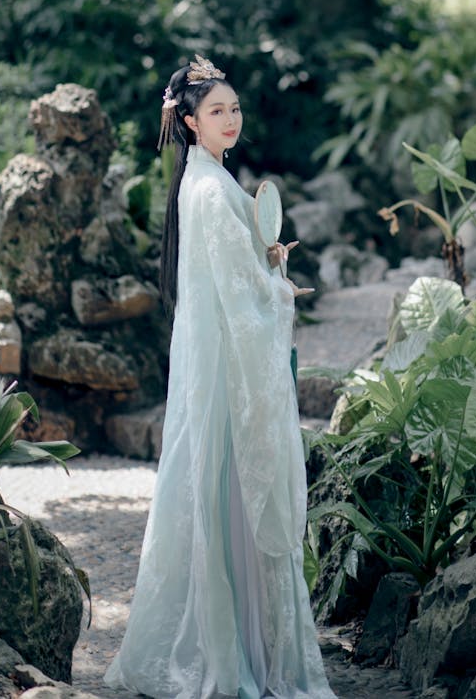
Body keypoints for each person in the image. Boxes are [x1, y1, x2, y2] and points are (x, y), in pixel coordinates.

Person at [104, 55, 337, 699]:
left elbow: (233, 269)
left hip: (216, 364)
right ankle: (236, 651)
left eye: (234, 108)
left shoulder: (204, 180)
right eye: (216, 111)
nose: (231, 119)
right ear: (189, 122)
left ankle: (236, 641)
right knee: (228, 485)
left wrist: (265, 261)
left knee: (218, 487)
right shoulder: (207, 188)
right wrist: (279, 288)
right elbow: (242, 293)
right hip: (228, 366)